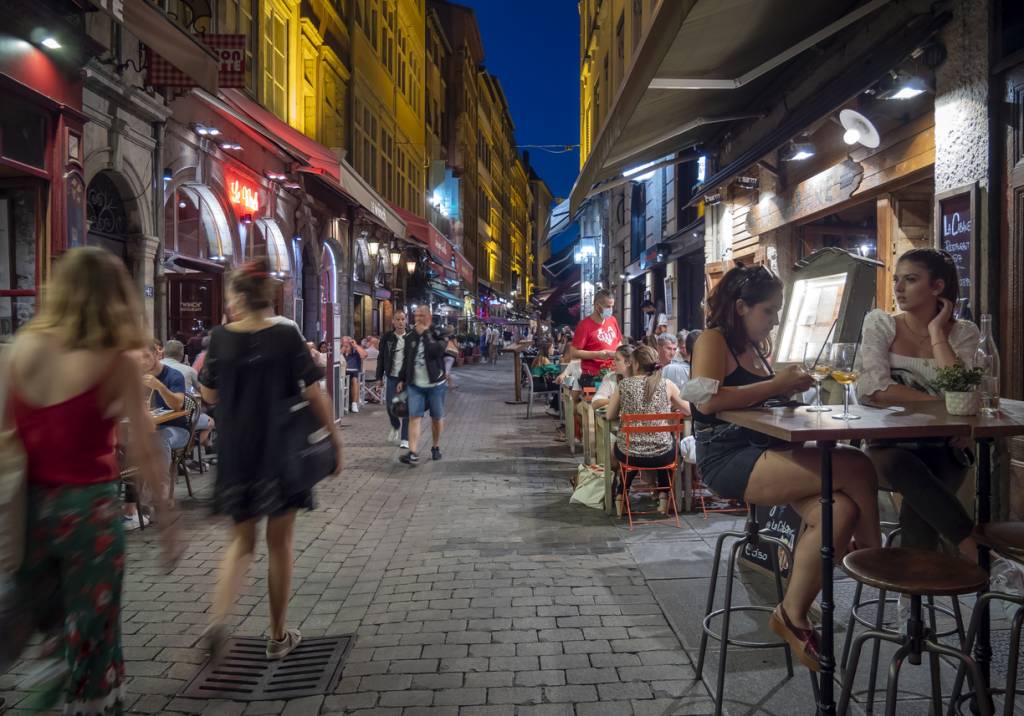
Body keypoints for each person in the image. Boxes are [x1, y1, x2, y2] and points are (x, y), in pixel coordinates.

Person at [5, 247, 179, 714]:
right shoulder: (115, 361)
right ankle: (91, 698)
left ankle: (86, 678)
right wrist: (165, 519)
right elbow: (144, 446)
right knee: (95, 615)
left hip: (34, 510)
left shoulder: (20, 350)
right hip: (91, 514)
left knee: (54, 612)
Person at [686, 262, 881, 671]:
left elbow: (758, 399)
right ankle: (874, 560)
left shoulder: (758, 348)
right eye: (769, 311)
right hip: (728, 458)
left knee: (838, 509)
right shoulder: (712, 340)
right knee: (857, 465)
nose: (774, 320)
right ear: (741, 306)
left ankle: (791, 614)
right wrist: (779, 385)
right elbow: (707, 402)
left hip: (769, 453)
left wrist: (790, 392)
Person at [199, 259, 342, 661]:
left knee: (241, 543)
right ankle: (277, 636)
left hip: (237, 450)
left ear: (242, 297)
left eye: (229, 295)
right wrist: (335, 440)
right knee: (280, 544)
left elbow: (209, 397)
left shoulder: (220, 338)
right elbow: (315, 393)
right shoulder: (285, 335)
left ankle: (219, 619)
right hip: (281, 453)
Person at [854, 248, 981, 558]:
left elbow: (964, 389)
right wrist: (943, 404)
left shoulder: (963, 333)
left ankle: (909, 598)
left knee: (923, 505)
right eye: (897, 279)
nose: (898, 288)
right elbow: (872, 388)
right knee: (907, 469)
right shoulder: (881, 324)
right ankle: (976, 552)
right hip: (887, 446)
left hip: (945, 447)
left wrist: (937, 332)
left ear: (937, 287)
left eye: (910, 280)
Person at [607, 344, 689, 515]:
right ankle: (664, 497)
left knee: (629, 447)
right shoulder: (667, 384)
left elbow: (609, 415)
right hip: (662, 454)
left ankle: (621, 496)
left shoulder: (624, 385)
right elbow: (688, 410)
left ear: (636, 364)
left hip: (629, 453)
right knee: (665, 445)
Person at [398, 305, 448, 465]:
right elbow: (407, 359)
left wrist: (425, 333)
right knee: (414, 416)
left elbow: (437, 352)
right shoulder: (410, 336)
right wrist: (402, 379)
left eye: (421, 315)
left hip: (435, 384)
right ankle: (413, 452)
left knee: (436, 417)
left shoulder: (438, 332)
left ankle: (435, 446)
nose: (418, 318)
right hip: (415, 384)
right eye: (416, 315)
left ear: (429, 317)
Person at [137, 340, 189, 480]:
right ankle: (131, 496)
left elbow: (177, 405)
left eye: (146, 356)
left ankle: (161, 490)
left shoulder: (174, 375)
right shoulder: (136, 377)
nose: (142, 362)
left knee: (158, 439)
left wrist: (160, 387)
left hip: (177, 429)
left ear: (156, 353)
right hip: (146, 429)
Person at [163, 339, 215, 456]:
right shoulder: (188, 370)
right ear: (181, 354)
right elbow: (203, 392)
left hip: (160, 417)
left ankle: (183, 455)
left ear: (163, 352)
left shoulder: (156, 368)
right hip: (183, 416)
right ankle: (189, 452)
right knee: (210, 422)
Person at [570, 289, 623, 389]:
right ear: (597, 306)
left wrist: (619, 353)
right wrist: (598, 354)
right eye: (608, 307)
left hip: (613, 373)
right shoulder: (584, 325)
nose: (611, 309)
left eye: (612, 306)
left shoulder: (612, 320)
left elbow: (618, 342)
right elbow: (574, 352)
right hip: (593, 376)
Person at [377, 311, 411, 448]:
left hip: (408, 379)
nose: (401, 322)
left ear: (406, 320)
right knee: (391, 406)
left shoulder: (411, 337)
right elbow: (381, 358)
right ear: (393, 321)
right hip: (391, 376)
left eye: (403, 319)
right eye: (398, 319)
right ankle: (395, 425)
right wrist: (379, 378)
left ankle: (405, 438)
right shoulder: (387, 338)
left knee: (408, 407)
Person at [654, 334, 691, 414]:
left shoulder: (678, 368)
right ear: (659, 348)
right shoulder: (650, 366)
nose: (672, 353)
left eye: (674, 349)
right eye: (669, 349)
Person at [592, 345, 634, 410]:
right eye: (613, 359)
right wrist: (619, 401)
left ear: (628, 363)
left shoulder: (640, 380)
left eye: (617, 359)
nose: (613, 362)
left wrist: (611, 402)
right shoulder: (610, 377)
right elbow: (595, 403)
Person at [340, 336, 367, 413]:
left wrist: (355, 345)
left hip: (354, 373)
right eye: (344, 343)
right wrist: (343, 348)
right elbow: (337, 357)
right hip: (342, 373)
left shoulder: (356, 351)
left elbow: (364, 355)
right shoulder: (340, 351)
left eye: (348, 343)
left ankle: (354, 403)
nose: (346, 345)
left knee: (354, 379)